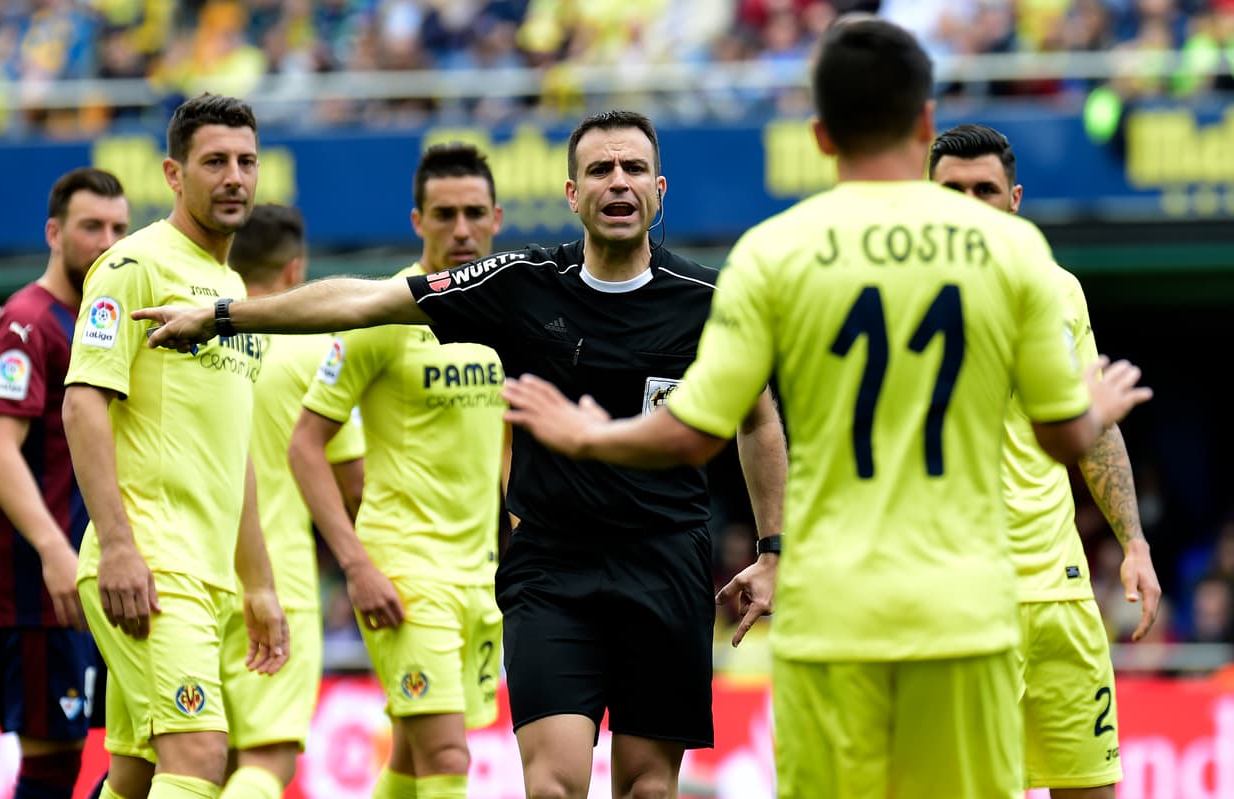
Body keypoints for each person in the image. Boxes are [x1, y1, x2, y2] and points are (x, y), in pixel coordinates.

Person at [495, 19, 1154, 799]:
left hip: (831, 603)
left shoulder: (774, 254)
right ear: (924, 124)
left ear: (820, 133)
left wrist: (592, 433)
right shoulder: (1011, 255)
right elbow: (1063, 433)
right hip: (964, 604)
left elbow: (694, 431)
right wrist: (1094, 410)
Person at [134, 109, 788, 799]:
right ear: (572, 194)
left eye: (633, 169)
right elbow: (363, 302)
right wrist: (222, 315)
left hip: (665, 563)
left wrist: (771, 549)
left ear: (659, 188)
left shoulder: (711, 301)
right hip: (552, 571)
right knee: (553, 787)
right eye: (600, 169)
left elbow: (757, 422)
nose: (618, 182)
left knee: (648, 788)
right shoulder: (522, 282)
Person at [61, 93, 289, 799]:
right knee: (198, 756)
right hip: (151, 564)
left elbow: (234, 452)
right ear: (173, 173)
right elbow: (82, 403)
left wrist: (258, 583)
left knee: (133, 774)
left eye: (246, 161)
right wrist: (119, 546)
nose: (234, 177)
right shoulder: (132, 265)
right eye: (214, 161)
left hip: (206, 573)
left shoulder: (230, 289)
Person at [929, 122, 1161, 799]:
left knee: (1091, 789)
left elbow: (1092, 425)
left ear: (1015, 198)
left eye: (985, 190)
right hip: (962, 600)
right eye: (952, 192)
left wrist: (1134, 541)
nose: (970, 205)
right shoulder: (897, 300)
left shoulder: (1059, 290)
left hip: (1062, 593)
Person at [287, 142, 506, 799]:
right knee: (447, 754)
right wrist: (356, 565)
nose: (461, 229)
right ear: (417, 221)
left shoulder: (509, 315)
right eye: (444, 214)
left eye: (474, 213)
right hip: (405, 571)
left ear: (497, 218)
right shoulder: (383, 313)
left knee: (413, 759)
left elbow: (509, 440)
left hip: (480, 573)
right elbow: (306, 444)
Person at [0, 167, 129, 799]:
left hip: (101, 580)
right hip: (40, 594)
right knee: (53, 766)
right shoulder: (26, 324)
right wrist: (54, 551)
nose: (107, 242)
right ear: (54, 233)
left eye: (119, 229)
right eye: (92, 227)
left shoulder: (101, 321)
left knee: (142, 753)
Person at [219, 204, 366, 799]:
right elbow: (354, 483)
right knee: (268, 760)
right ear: (295, 270)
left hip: (194, 572)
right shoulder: (316, 350)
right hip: (277, 580)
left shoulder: (200, 337)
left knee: (194, 759)